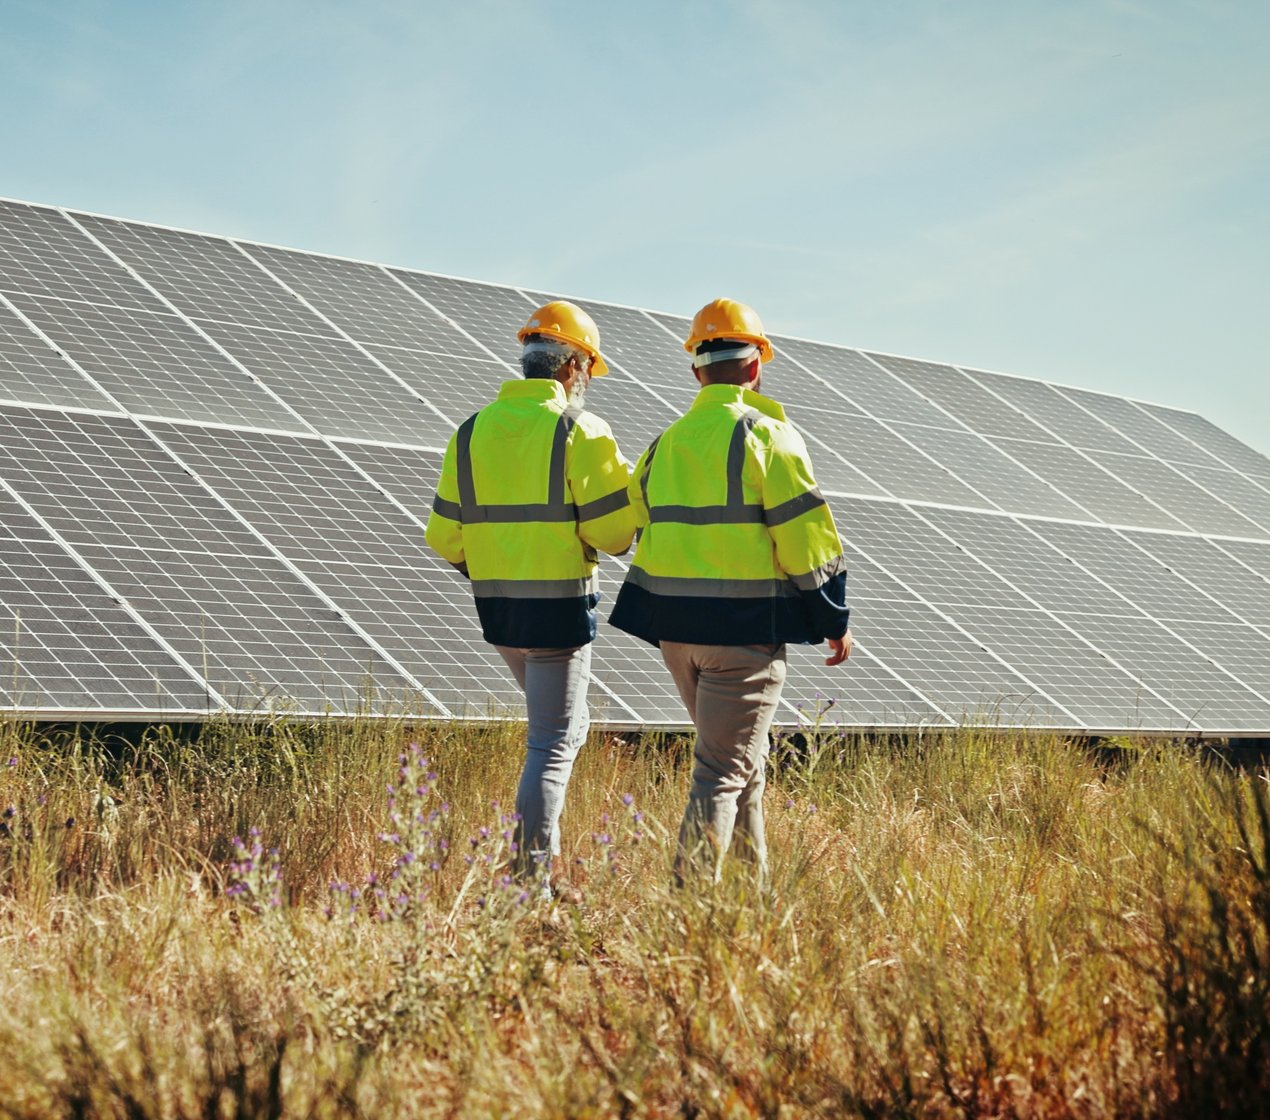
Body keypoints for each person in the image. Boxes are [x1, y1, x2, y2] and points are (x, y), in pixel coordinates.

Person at [608, 298, 852, 889]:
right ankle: (690, 913)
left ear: (696, 369)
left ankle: (751, 897)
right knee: (721, 769)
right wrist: (832, 615)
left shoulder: (665, 442)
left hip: (676, 636)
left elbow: (625, 527)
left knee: (745, 765)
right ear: (756, 365)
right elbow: (805, 538)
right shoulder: (768, 436)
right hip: (742, 636)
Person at [426, 300, 635, 896]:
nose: (588, 380)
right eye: (588, 368)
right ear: (572, 366)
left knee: (565, 729)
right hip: (560, 615)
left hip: (500, 613)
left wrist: (498, 563)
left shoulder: (471, 431)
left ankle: (544, 871)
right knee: (550, 743)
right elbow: (613, 535)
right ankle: (528, 887)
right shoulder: (579, 430)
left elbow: (443, 536)